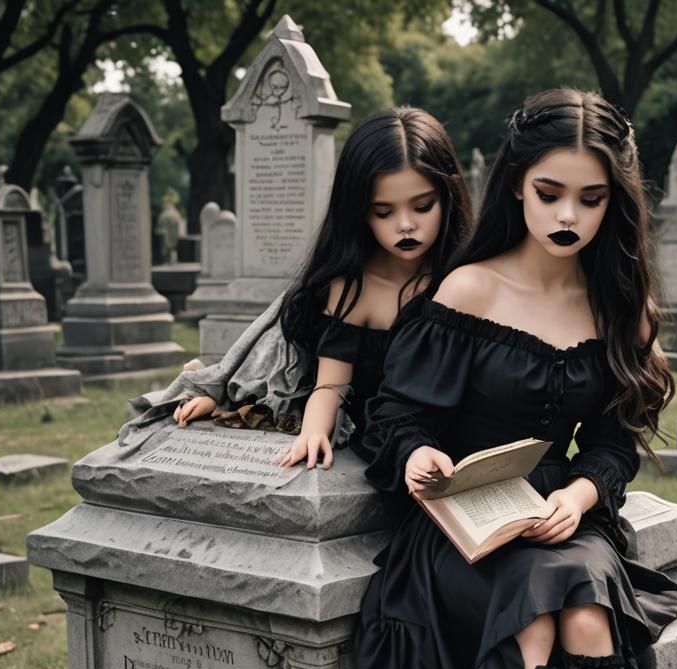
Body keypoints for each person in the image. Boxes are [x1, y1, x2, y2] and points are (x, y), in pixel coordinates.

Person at [353, 88, 677, 669]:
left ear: (616, 199)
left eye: (590, 197)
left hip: (564, 523)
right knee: (543, 619)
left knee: (580, 607)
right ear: (517, 190)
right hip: (460, 531)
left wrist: (581, 493)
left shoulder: (619, 300)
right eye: (549, 193)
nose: (568, 216)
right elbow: (400, 414)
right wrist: (417, 452)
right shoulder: (468, 286)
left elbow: (616, 441)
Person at [118, 108, 471, 457]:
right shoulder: (351, 286)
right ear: (359, 212)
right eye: (384, 212)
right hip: (382, 434)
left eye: (422, 207)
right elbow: (331, 383)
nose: (405, 224)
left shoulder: (468, 278)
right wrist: (314, 432)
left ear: (447, 198)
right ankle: (221, 390)